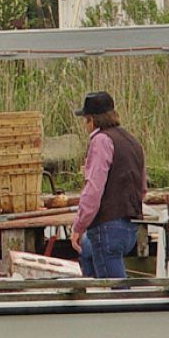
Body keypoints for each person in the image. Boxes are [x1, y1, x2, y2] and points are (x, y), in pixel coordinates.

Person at [70, 91, 146, 278]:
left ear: (92, 121)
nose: (84, 125)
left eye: (85, 120)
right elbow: (142, 189)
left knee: (114, 293)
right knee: (86, 250)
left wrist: (78, 226)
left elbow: (93, 191)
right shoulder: (132, 141)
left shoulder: (100, 141)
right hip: (130, 228)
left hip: (106, 228)